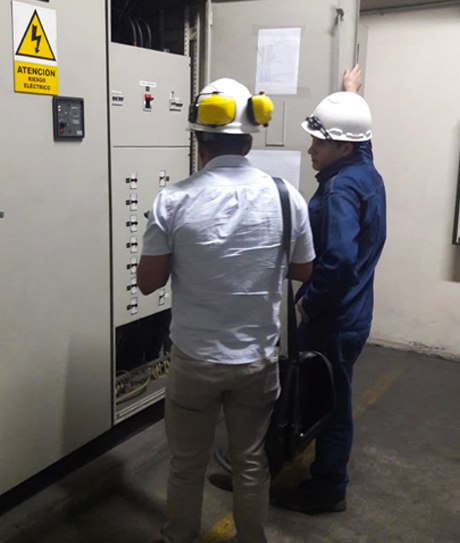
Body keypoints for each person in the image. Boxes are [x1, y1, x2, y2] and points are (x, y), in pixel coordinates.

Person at [137, 77, 316, 543]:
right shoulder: (287, 197)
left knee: (186, 463)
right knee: (250, 460)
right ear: (249, 140)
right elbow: (304, 269)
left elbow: (148, 282)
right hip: (256, 359)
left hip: (195, 358)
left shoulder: (173, 200)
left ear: (198, 141)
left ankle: (179, 536)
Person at [277, 65, 387, 514]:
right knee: (329, 393)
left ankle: (327, 489)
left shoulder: (340, 191)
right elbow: (362, 135)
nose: (310, 149)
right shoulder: (365, 168)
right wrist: (349, 94)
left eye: (318, 143)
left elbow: (338, 260)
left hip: (334, 319)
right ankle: (305, 465)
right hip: (355, 313)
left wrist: (311, 303)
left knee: (331, 403)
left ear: (343, 147)